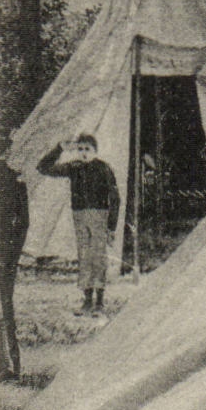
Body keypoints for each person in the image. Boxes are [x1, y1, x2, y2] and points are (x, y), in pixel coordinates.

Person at [36, 134, 118, 316]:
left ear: (95, 151)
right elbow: (43, 167)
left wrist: (111, 226)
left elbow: (115, 199)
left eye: (87, 149)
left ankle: (99, 302)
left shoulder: (104, 168)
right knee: (84, 256)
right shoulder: (74, 167)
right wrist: (59, 148)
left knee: (98, 257)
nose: (83, 153)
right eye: (80, 149)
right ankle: (87, 301)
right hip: (79, 215)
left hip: (99, 216)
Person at [0, 131, 29, 379]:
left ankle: (5, 366)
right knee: (5, 306)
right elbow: (24, 222)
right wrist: (14, 250)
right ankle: (11, 365)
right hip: (6, 250)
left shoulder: (14, 181)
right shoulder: (16, 180)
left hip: (2, 251)